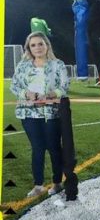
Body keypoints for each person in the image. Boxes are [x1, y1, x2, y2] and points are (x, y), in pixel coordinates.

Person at [10, 31, 69, 197]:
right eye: (33, 45)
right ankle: (38, 185)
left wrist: (50, 95)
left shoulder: (58, 64)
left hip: (51, 114)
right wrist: (27, 95)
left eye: (40, 44)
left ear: (47, 45)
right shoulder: (22, 66)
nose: (37, 47)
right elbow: (14, 87)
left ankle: (57, 183)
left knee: (54, 148)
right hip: (29, 114)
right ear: (29, 48)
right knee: (37, 149)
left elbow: (64, 87)